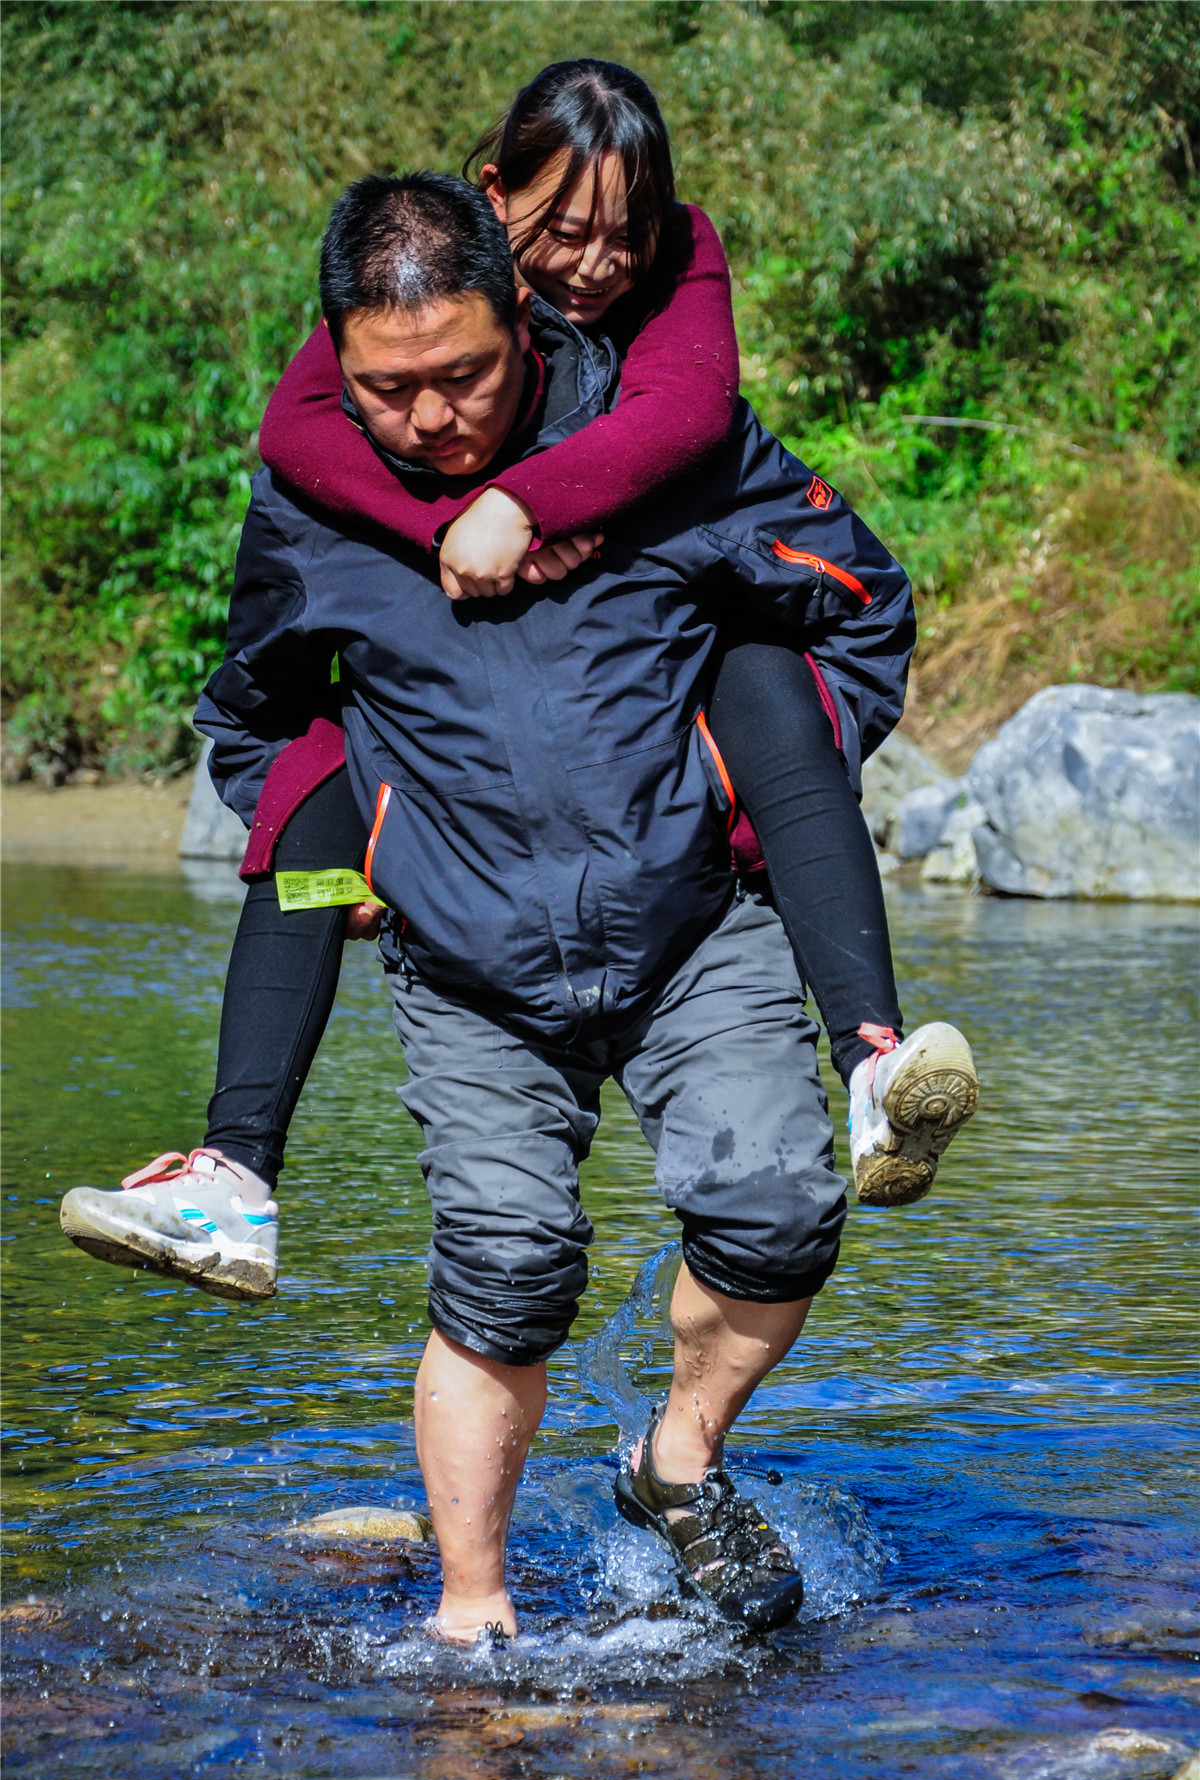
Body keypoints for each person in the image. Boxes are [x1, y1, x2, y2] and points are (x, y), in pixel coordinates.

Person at [60, 60, 976, 1316]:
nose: (598, 263)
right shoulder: (400, 301)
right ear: (494, 202)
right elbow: (297, 440)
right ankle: (234, 1168)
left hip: (672, 860)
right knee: (315, 775)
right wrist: (444, 521)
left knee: (763, 669)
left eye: (625, 233)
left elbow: (699, 420)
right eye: (562, 230)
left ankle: (870, 1055)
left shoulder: (676, 297)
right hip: (472, 909)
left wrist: (535, 505)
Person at [192, 168, 913, 1642]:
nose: (428, 420)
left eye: (459, 375)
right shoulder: (315, 509)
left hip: (688, 926)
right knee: (510, 1271)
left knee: (780, 1209)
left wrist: (755, 769)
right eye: (387, 390)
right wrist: (356, 850)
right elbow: (256, 717)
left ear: (522, 314)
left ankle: (675, 1458)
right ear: (339, 361)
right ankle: (474, 1616)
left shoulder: (655, 451)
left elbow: (861, 600)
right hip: (467, 964)